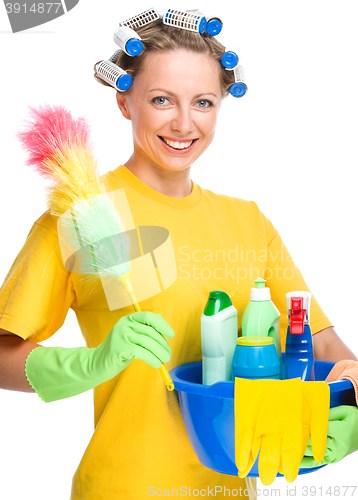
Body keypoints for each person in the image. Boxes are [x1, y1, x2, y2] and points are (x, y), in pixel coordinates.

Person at [0, 10, 357, 500]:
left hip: (229, 490)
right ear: (125, 100)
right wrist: (92, 362)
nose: (184, 124)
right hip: (122, 488)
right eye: (162, 99)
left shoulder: (247, 221)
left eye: (204, 102)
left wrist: (349, 404)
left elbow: (320, 341)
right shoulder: (81, 213)